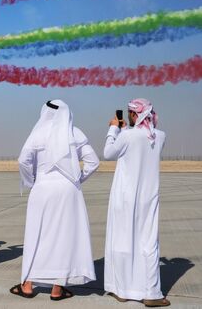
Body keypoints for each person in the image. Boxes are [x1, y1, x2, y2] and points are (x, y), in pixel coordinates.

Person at [11, 100, 99, 300]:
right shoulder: (75, 133)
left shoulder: (38, 133)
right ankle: (57, 290)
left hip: (42, 188)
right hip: (69, 191)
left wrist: (31, 181)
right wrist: (76, 180)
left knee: (37, 235)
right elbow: (93, 162)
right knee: (65, 238)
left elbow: (23, 160)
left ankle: (27, 285)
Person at [103, 99, 170, 307]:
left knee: (123, 240)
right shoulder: (160, 136)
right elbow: (145, 138)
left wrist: (114, 130)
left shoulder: (128, 136)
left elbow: (108, 153)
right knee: (149, 243)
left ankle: (122, 290)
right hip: (148, 198)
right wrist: (125, 131)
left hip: (125, 197)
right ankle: (151, 293)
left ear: (133, 115)